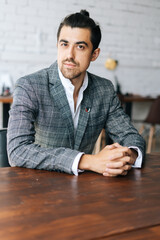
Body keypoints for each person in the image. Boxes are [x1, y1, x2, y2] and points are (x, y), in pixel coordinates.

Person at [7, 10, 145, 177]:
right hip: (36, 185)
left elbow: (129, 135)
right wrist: (89, 161)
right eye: (64, 44)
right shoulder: (30, 86)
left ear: (94, 54)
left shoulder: (104, 89)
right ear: (58, 45)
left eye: (80, 47)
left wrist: (128, 155)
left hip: (84, 188)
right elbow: (17, 150)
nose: (69, 55)